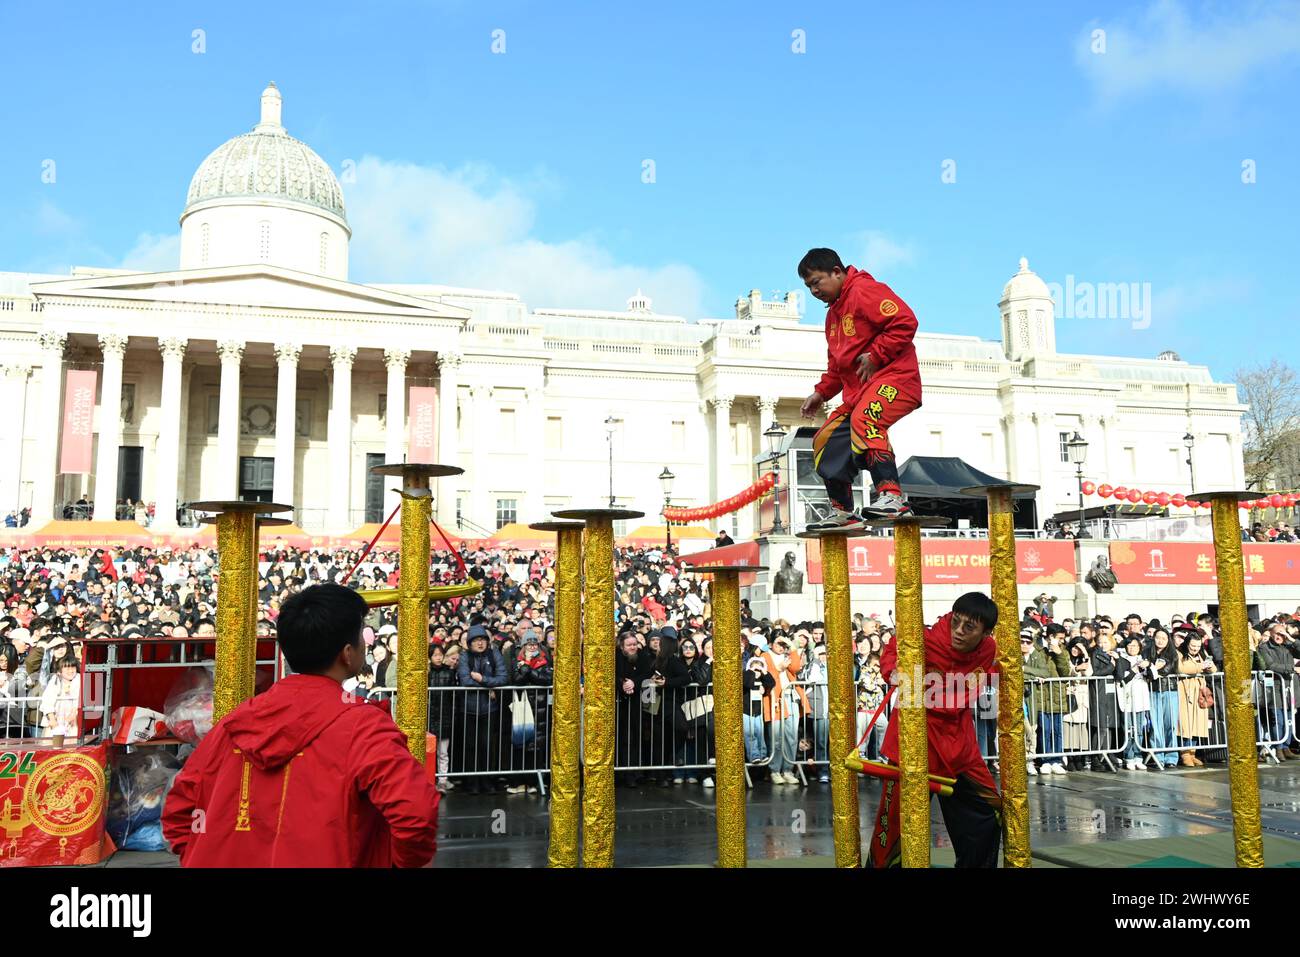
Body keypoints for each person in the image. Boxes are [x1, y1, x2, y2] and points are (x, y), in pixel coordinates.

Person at [161, 583, 439, 867]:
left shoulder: (236, 722)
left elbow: (180, 809)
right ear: (347, 653)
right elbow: (415, 815)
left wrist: (202, 854)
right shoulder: (364, 725)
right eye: (361, 636)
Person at [868, 592, 1003, 868]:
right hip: (914, 744)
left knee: (990, 811)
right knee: (893, 828)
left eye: (969, 627)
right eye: (957, 621)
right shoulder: (923, 638)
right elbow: (891, 661)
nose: (959, 631)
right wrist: (901, 674)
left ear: (986, 632)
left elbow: (976, 685)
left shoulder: (988, 649)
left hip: (959, 747)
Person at [798, 247, 921, 526]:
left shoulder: (865, 290)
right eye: (808, 287)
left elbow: (905, 321)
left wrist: (877, 355)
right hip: (859, 393)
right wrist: (820, 392)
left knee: (867, 419)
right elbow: (837, 366)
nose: (814, 291)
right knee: (824, 439)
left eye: (816, 282)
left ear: (837, 272)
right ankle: (843, 512)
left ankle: (893, 498)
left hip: (896, 380)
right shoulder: (832, 316)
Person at [457, 624, 508, 793]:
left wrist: (481, 679)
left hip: (489, 709)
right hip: (469, 708)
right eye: (476, 640)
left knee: (487, 746)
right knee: (471, 746)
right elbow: (465, 680)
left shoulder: (494, 654)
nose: (480, 643)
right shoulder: (465, 657)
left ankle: (487, 781)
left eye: (482, 640)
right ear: (470, 643)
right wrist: (488, 685)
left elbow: (502, 678)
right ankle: (472, 782)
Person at [1176, 634, 1213, 767]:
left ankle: (1193, 753)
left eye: (1198, 646)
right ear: (1187, 644)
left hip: (1199, 691)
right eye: (1193, 646)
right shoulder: (1179, 653)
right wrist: (1201, 667)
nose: (1195, 649)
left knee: (1197, 723)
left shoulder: (1202, 654)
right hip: (1185, 691)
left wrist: (1207, 666)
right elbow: (1181, 669)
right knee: (1186, 724)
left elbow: (1213, 669)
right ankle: (1185, 753)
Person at [1145, 629, 1181, 769]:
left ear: (1168, 640)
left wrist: (1152, 668)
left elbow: (1167, 670)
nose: (1160, 640)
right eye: (1158, 637)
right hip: (1153, 691)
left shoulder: (1172, 653)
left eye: (1164, 638)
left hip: (1169, 690)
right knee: (1156, 725)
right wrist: (1152, 669)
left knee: (1170, 724)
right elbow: (1146, 672)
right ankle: (1158, 755)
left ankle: (1171, 756)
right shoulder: (1147, 652)